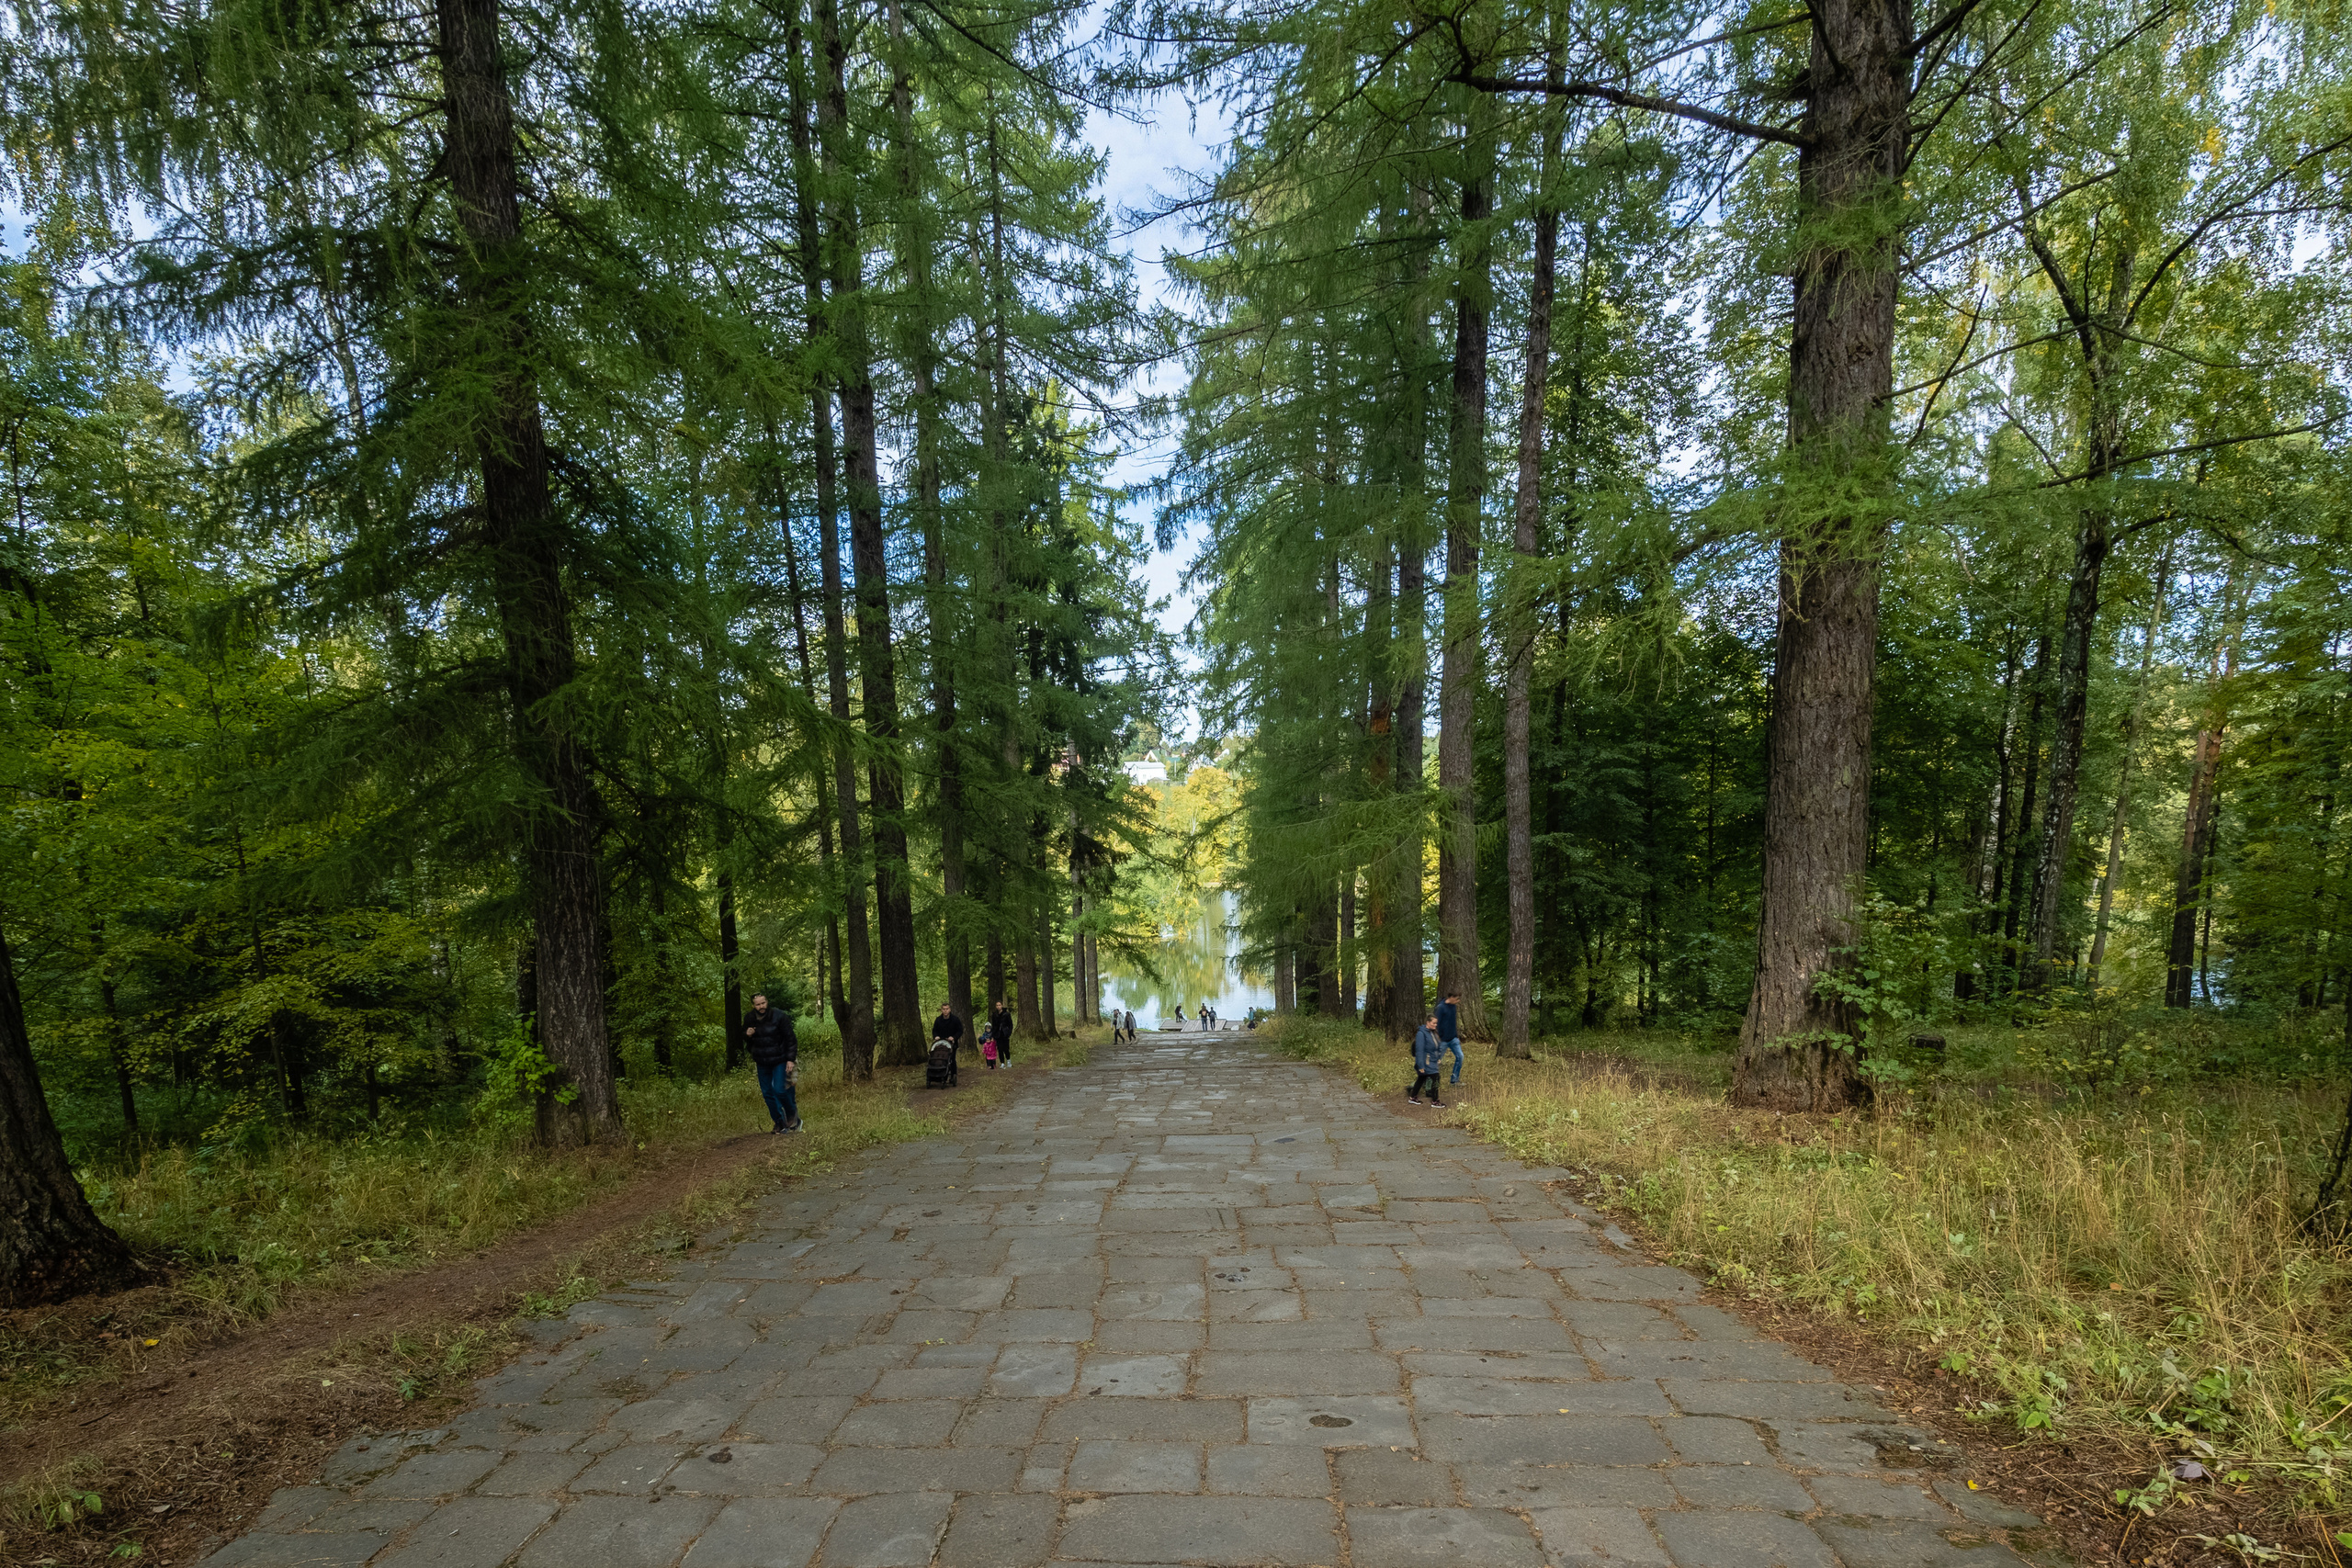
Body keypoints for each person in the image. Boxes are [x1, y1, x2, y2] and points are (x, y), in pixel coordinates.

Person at [744, 992, 800, 1133]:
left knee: (779, 1090)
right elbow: (745, 1038)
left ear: (767, 1002)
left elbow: (790, 1039)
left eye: (763, 1003)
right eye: (758, 1004)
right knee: (767, 1093)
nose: (761, 1006)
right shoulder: (749, 1018)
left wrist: (790, 1059)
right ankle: (779, 1122)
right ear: (753, 1005)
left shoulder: (779, 1016)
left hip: (779, 1059)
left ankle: (792, 1115)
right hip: (762, 1061)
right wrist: (747, 1035)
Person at [1408, 1012, 1446, 1108]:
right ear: (1428, 1023)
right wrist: (1420, 1065)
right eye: (1434, 1023)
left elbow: (1436, 1046)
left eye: (1436, 1023)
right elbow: (1419, 1050)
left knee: (1421, 1078)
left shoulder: (1433, 1032)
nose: (1435, 1025)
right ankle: (1435, 1101)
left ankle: (1412, 1097)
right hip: (1426, 1062)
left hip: (1432, 1060)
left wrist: (1438, 1058)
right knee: (1436, 1078)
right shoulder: (1421, 1034)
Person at [929, 1002, 962, 1089]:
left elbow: (960, 1030)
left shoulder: (955, 1019)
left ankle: (953, 1075)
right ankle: (937, 1074)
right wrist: (936, 1036)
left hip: (952, 1044)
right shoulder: (938, 1020)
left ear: (950, 1009)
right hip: (940, 1043)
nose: (945, 1011)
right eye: (944, 1009)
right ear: (941, 1010)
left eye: (947, 1009)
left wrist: (954, 1037)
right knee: (938, 1057)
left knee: (952, 1059)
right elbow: (934, 1030)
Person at [1435, 990, 1464, 1088]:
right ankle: (1429, 1081)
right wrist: (1438, 1036)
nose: (1458, 1001)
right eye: (1456, 999)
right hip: (1443, 1040)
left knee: (1460, 1057)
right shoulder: (1441, 1008)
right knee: (1436, 1060)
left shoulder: (1453, 1007)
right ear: (1451, 997)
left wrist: (1455, 1034)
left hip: (1453, 1038)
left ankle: (1454, 1080)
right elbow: (1436, 1023)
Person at [989, 999, 1013, 1066]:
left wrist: (1009, 1032)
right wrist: (993, 1035)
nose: (998, 1006)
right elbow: (994, 1025)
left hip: (1005, 1033)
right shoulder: (994, 1015)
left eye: (999, 1005)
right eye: (997, 1005)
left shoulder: (1007, 1014)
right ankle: (1002, 1062)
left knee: (1006, 1048)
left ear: (1002, 1006)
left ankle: (1008, 1060)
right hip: (998, 1034)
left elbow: (1010, 1024)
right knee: (1000, 1049)